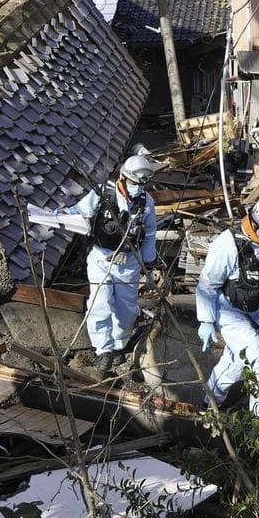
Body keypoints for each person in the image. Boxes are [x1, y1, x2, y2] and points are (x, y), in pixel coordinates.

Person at [196, 195, 259, 413]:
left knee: (235, 363)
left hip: (256, 311)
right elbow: (207, 285)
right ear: (257, 226)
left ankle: (208, 404)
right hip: (230, 313)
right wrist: (206, 320)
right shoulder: (228, 245)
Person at [66, 155, 159, 373]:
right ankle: (103, 350)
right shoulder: (103, 193)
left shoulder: (146, 202)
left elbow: (150, 234)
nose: (137, 188)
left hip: (129, 262)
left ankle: (119, 344)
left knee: (126, 310)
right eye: (135, 183)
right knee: (100, 304)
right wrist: (61, 216)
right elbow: (79, 212)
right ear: (124, 178)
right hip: (102, 258)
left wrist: (149, 261)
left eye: (141, 185)